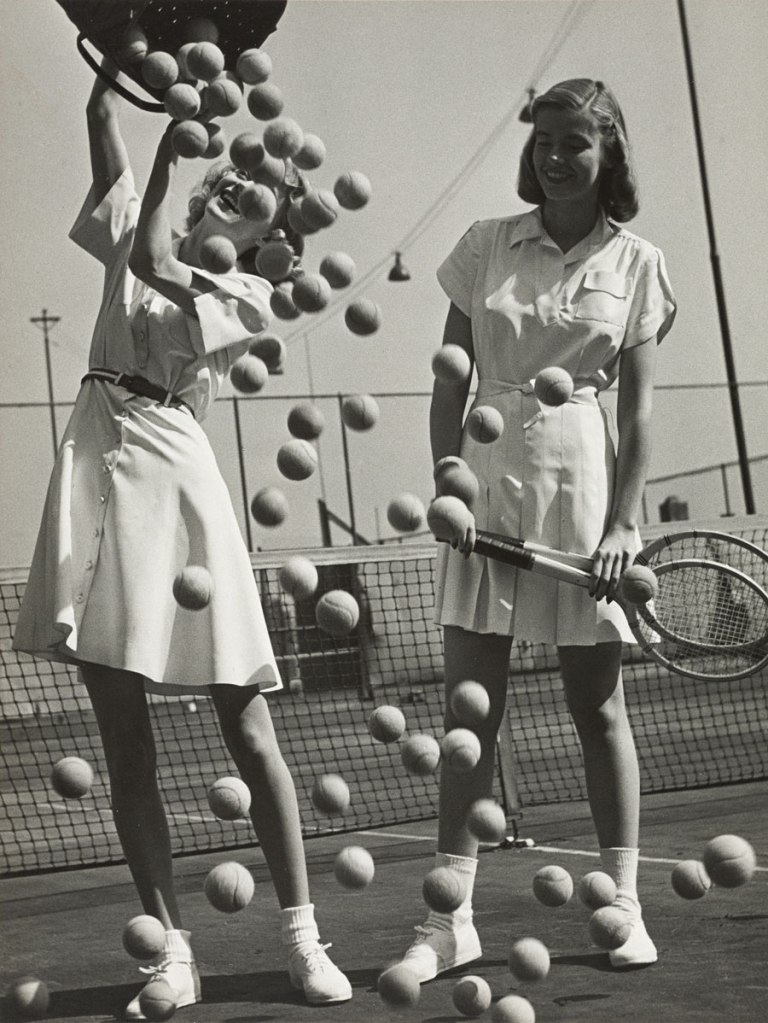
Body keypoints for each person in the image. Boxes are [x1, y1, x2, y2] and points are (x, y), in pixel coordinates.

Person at [13, 62, 352, 1016]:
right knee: (125, 742)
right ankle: (170, 954)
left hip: (177, 473)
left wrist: (169, 152)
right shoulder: (142, 218)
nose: (245, 179)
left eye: (268, 190)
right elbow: (120, 183)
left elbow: (158, 256)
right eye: (239, 169)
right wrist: (106, 94)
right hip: (95, 467)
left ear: (270, 234)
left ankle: (302, 938)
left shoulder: (242, 292)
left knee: (248, 727)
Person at [400, 78, 676, 981]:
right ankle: (450, 918)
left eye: (575, 144)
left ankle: (622, 902)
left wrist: (625, 522)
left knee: (597, 707)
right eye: (544, 141)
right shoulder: (484, 244)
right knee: (467, 712)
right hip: (484, 485)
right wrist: (449, 477)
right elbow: (451, 376)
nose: (555, 157)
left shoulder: (637, 262)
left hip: (582, 489)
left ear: (610, 157)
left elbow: (637, 416)